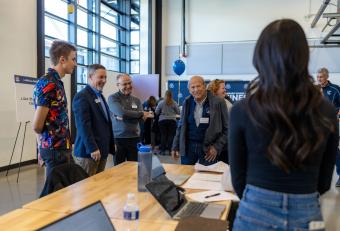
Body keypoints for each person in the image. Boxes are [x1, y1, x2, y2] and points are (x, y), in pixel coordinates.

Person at [229, 19, 338, 230]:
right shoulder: (327, 111)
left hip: (255, 211)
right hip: (308, 212)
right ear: (303, 57)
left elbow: (239, 180)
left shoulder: (242, 110)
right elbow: (325, 180)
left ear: (260, 56)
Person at [32, 40, 77, 177]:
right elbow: (37, 125)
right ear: (62, 60)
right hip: (55, 150)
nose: (75, 64)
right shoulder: (49, 83)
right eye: (73, 59)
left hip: (61, 148)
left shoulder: (55, 82)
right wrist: (43, 147)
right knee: (54, 194)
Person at [171, 76, 228, 165]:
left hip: (209, 149)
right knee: (187, 176)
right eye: (193, 87)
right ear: (189, 89)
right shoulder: (187, 102)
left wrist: (216, 147)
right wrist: (175, 146)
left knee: (206, 177)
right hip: (188, 148)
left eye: (198, 86)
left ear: (204, 86)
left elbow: (227, 129)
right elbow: (181, 126)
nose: (196, 90)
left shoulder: (218, 102)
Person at [72, 64, 114, 176]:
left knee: (97, 186)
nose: (104, 80)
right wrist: (92, 148)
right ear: (90, 77)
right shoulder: (82, 96)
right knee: (86, 188)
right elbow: (83, 125)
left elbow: (104, 123)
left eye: (105, 77)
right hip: (89, 153)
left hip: (101, 151)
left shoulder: (100, 96)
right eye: (100, 77)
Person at [108, 74, 153, 165]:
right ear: (118, 85)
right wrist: (139, 114)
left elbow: (141, 120)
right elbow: (121, 112)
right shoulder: (113, 98)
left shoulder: (136, 100)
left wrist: (124, 117)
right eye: (124, 84)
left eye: (129, 83)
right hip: (118, 138)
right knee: (118, 168)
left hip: (134, 138)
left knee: (134, 167)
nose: (128, 86)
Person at [317, 67, 340, 187]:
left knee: (333, 149)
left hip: (331, 124)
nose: (319, 79)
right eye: (318, 76)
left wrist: (336, 112)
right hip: (317, 125)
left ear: (327, 77)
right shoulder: (315, 90)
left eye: (321, 77)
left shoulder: (335, 89)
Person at [207, 79, 232, 164]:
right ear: (215, 89)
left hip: (224, 145)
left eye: (225, 88)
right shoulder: (209, 103)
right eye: (223, 88)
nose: (225, 90)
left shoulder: (227, 103)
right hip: (213, 145)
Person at [155, 90, 180, 155]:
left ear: (165, 95)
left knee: (163, 135)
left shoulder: (161, 102)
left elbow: (156, 112)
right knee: (171, 136)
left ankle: (162, 151)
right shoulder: (174, 103)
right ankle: (170, 151)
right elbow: (178, 112)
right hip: (172, 121)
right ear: (171, 95)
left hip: (162, 121)